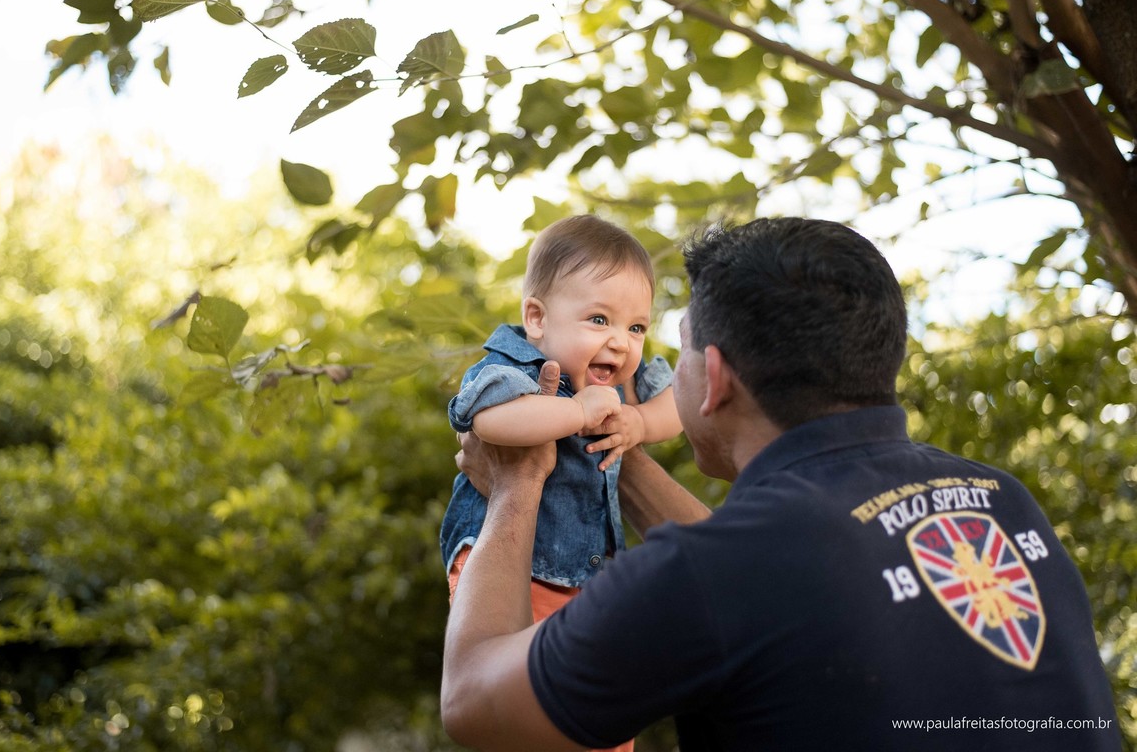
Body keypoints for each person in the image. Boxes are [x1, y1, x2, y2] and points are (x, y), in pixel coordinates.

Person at [440, 217, 1122, 752]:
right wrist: (604, 449)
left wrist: (517, 487)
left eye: (667, 347)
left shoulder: (722, 574)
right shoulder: (1002, 502)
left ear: (718, 377)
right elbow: (772, 584)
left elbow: (473, 701)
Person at [441, 214, 682, 612]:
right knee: (510, 659)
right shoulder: (515, 365)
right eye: (599, 320)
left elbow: (674, 405)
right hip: (508, 562)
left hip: (584, 572)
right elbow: (489, 420)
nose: (621, 342)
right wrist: (574, 412)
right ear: (537, 318)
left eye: (636, 327)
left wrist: (639, 422)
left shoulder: (623, 375)